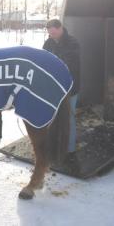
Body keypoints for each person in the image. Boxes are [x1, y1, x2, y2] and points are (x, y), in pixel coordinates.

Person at [43, 18, 80, 155]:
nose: (51, 36)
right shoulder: (48, 43)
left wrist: (52, 63)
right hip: (53, 88)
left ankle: (69, 150)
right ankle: (55, 147)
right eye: (49, 33)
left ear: (60, 29)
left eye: (53, 33)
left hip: (70, 88)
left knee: (69, 118)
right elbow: (43, 60)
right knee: (53, 118)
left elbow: (69, 64)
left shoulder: (72, 42)